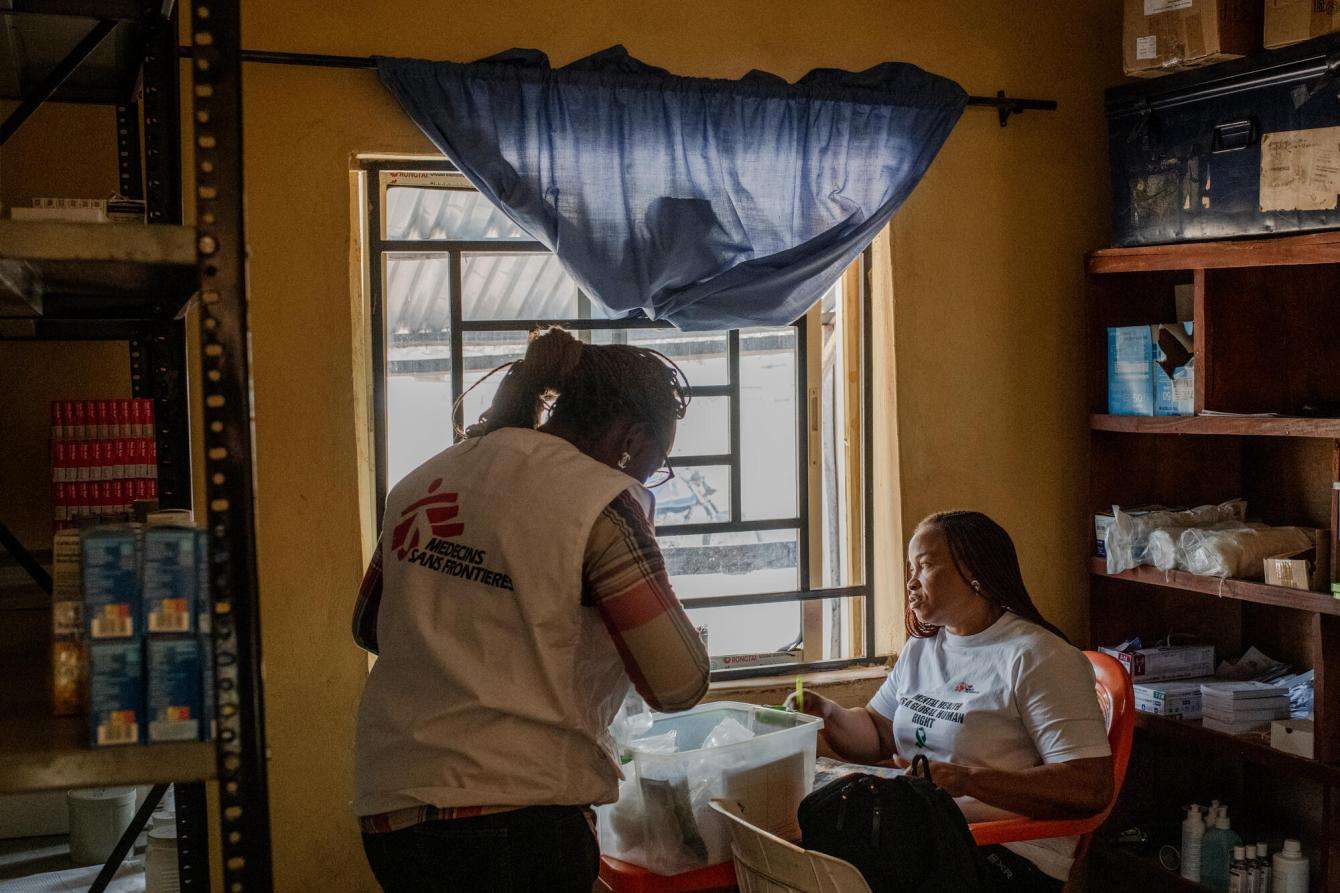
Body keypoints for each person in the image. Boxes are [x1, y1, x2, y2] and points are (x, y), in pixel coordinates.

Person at [352, 327, 711, 892]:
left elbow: (370, 626)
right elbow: (677, 683)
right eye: (655, 463)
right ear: (630, 437)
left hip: (391, 816)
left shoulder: (426, 479)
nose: (648, 478)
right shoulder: (599, 502)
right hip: (516, 822)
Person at [792, 511, 1113, 891]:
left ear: (974, 572)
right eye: (910, 568)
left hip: (1005, 853)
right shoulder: (923, 649)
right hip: (928, 836)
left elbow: (1089, 786)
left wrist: (965, 780)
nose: (910, 583)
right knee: (810, 832)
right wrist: (825, 713)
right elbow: (878, 735)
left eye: (924, 567)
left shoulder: (1038, 657)